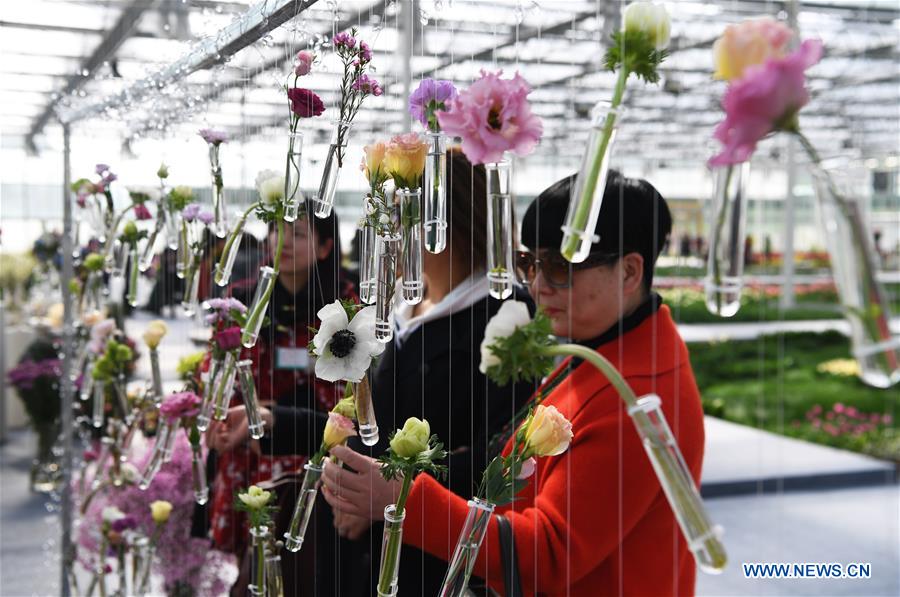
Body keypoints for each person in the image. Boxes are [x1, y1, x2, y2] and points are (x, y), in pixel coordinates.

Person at [321, 171, 706, 596]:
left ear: (630, 272)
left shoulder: (636, 397)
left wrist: (404, 501)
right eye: (530, 264)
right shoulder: (600, 356)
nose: (539, 285)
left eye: (560, 267)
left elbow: (547, 555)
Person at [209, 149, 536, 595]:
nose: (386, 237)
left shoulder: (504, 318)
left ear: (445, 224)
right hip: (357, 557)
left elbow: (502, 461)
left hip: (433, 567)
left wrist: (385, 497)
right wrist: (273, 421)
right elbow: (371, 429)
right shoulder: (397, 311)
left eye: (398, 221)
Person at [204, 203, 354, 562]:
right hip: (248, 454)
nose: (282, 240)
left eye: (298, 233)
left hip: (315, 455)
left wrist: (270, 414)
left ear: (325, 246)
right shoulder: (243, 301)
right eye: (276, 230)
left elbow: (350, 398)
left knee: (308, 563)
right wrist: (220, 419)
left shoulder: (346, 307)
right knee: (251, 563)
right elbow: (218, 373)